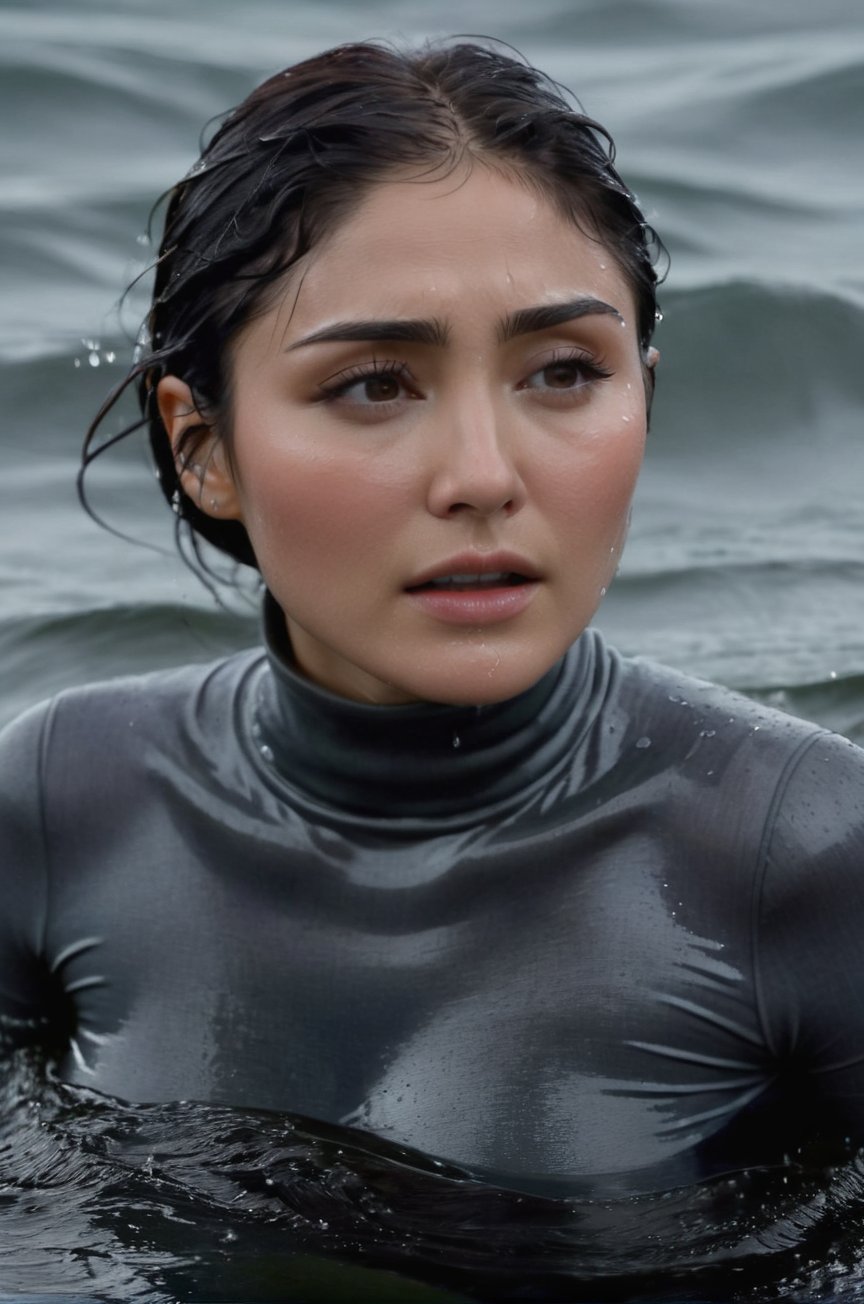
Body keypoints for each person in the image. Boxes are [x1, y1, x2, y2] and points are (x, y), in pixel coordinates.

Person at [1, 38, 862, 1202]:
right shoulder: (63, 801)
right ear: (203, 448)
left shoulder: (799, 856)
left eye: (564, 370)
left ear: (645, 393)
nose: (482, 473)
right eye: (373, 383)